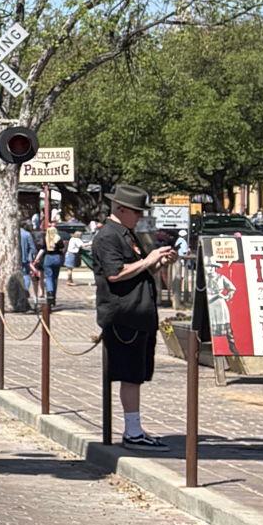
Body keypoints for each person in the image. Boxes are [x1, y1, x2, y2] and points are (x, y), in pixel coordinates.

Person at [91, 182, 175, 448]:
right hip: (123, 316)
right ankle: (132, 431)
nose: (140, 217)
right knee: (129, 375)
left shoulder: (128, 234)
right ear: (121, 209)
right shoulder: (108, 236)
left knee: (137, 375)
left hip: (139, 314)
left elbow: (137, 270)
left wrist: (158, 262)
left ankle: (135, 428)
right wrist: (148, 261)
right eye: (137, 212)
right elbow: (115, 273)